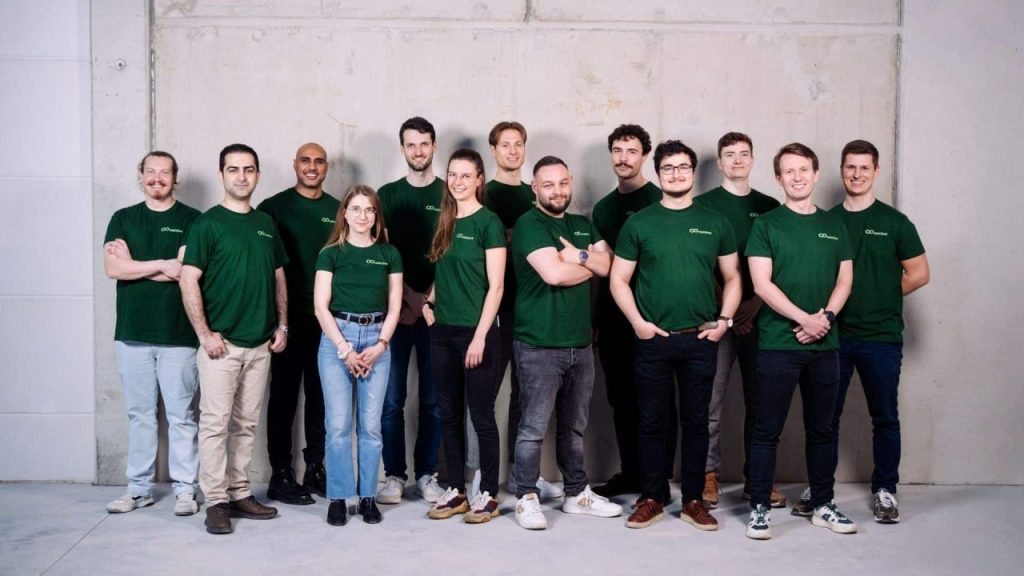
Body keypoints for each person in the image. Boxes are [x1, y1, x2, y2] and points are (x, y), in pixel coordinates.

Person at [790, 140, 929, 523]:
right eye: (850, 167)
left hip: (881, 337)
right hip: (833, 336)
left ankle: (885, 489)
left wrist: (881, 292)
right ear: (841, 170)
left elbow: (919, 274)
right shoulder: (827, 221)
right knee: (824, 418)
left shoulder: (895, 222)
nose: (856, 174)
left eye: (864, 168)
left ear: (876, 171)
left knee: (884, 416)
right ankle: (820, 489)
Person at [610, 140, 741, 531]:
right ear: (658, 172)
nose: (677, 174)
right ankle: (651, 496)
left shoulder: (715, 221)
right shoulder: (640, 223)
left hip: (701, 339)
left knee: (697, 421)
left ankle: (694, 500)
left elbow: (733, 278)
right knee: (651, 421)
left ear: (694, 172)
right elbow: (618, 279)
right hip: (653, 338)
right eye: (669, 168)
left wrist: (725, 321)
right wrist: (637, 322)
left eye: (684, 167)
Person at [744, 143, 855, 540]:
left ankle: (823, 504)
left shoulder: (834, 225)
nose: (796, 177)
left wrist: (824, 318)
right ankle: (759, 507)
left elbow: (844, 280)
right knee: (766, 429)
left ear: (815, 172)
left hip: (824, 346)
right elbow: (761, 283)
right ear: (778, 178)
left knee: (823, 429)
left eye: (803, 169)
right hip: (778, 344)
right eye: (788, 171)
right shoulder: (767, 225)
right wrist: (803, 318)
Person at [180, 144, 289, 535]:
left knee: (245, 424)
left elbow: (278, 276)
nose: (241, 176)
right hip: (221, 347)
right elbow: (188, 278)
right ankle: (216, 502)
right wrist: (205, 334)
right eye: (233, 169)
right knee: (215, 425)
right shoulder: (207, 224)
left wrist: (283, 326)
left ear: (257, 175)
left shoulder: (265, 223)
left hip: (260, 345)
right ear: (221, 174)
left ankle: (240, 493)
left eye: (248, 169)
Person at [511, 156, 622, 530]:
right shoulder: (530, 224)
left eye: (562, 183)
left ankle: (576, 494)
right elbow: (554, 274)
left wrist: (579, 256)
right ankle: (526, 496)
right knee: (532, 428)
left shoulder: (580, 224)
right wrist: (591, 262)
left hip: (581, 344)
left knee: (574, 428)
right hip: (539, 344)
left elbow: (611, 268)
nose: (556, 191)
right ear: (534, 188)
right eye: (547, 184)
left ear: (570, 181)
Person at [103, 151, 201, 516]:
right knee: (140, 415)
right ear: (140, 175)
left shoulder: (192, 219)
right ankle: (138, 489)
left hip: (178, 335)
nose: (157, 178)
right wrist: (160, 263)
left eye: (164, 172)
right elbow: (113, 268)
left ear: (175, 178)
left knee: (182, 416)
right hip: (132, 334)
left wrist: (136, 265)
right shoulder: (123, 218)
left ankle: (186, 490)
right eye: (150, 172)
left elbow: (184, 271)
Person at [693, 132, 784, 508]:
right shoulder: (702, 205)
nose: (737, 160)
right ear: (719, 163)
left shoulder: (771, 205)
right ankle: (708, 476)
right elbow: (700, 264)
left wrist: (754, 306)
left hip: (762, 319)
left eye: (744, 154)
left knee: (761, 403)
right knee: (709, 403)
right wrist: (729, 311)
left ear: (753, 159)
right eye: (729, 155)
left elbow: (782, 263)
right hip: (717, 320)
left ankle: (757, 479)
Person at [591, 124, 675, 498]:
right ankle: (632, 473)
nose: (623, 158)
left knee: (655, 404)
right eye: (617, 150)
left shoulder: (661, 199)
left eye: (632, 151)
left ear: (645, 156)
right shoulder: (604, 208)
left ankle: (657, 483)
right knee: (621, 401)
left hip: (654, 318)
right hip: (613, 322)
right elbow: (604, 268)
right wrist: (596, 320)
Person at [422, 149, 506, 523]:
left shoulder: (489, 222)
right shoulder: (445, 219)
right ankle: (455, 489)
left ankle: (487, 493)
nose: (456, 181)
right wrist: (429, 303)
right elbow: (445, 274)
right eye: (452, 175)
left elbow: (497, 286)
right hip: (443, 332)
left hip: (479, 334)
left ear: (478, 179)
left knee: (482, 417)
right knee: (449, 414)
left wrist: (480, 337)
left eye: (465, 175)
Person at [313, 185, 402, 526]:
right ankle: (338, 497)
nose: (363, 215)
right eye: (356, 209)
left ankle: (367, 496)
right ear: (345, 214)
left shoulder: (389, 254)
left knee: (370, 426)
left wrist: (379, 346)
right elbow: (321, 307)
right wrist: (345, 349)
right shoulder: (331, 253)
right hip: (338, 338)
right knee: (336, 426)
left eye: (369, 210)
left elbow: (395, 307)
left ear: (376, 215)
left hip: (377, 340)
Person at [482, 121, 561, 499]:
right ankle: (483, 477)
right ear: (493, 150)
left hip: (533, 306)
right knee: (486, 392)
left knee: (524, 397)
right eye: (505, 145)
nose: (513, 151)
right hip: (498, 306)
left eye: (519, 144)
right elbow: (494, 244)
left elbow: (551, 242)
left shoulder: (536, 194)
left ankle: (520, 474)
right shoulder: (486, 193)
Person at [259, 142, 340, 504]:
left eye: (319, 161)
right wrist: (274, 321)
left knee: (321, 399)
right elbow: (261, 267)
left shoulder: (338, 210)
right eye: (305, 161)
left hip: (327, 321)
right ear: (295, 165)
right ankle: (280, 472)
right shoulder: (273, 208)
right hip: (287, 323)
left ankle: (315, 468)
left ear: (326, 167)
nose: (312, 167)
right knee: (284, 398)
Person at [376, 117, 445, 504]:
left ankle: (427, 475)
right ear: (402, 149)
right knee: (392, 401)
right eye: (410, 145)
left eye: (424, 144)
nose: (418, 151)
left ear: (434, 146)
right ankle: (394, 476)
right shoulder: (386, 195)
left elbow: (452, 255)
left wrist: (426, 301)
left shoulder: (451, 191)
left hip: (437, 313)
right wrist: (407, 301)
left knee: (434, 401)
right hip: (397, 315)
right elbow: (383, 256)